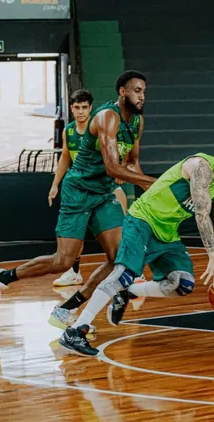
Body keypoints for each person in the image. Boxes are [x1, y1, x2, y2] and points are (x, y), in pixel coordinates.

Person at [58, 135, 214, 356]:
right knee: (123, 273)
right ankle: (76, 330)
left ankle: (130, 291)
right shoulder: (200, 166)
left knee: (182, 283)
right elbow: (202, 213)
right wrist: (211, 254)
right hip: (143, 219)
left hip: (167, 231)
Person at [0, 70, 156, 320]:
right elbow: (112, 167)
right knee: (63, 261)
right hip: (79, 191)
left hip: (104, 194)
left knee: (119, 259)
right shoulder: (107, 117)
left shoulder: (137, 122)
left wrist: (150, 188)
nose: (142, 97)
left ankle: (67, 308)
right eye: (137, 91)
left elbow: (131, 162)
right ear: (122, 92)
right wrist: (152, 182)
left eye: (144, 92)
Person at [48, 89, 142, 289]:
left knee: (122, 225)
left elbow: (123, 151)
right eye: (76, 107)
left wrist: (121, 171)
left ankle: (132, 271)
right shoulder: (69, 131)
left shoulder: (103, 126)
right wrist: (55, 184)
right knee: (74, 239)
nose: (80, 111)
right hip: (81, 188)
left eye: (84, 107)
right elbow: (65, 157)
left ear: (91, 108)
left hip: (105, 185)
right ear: (71, 109)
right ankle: (73, 272)